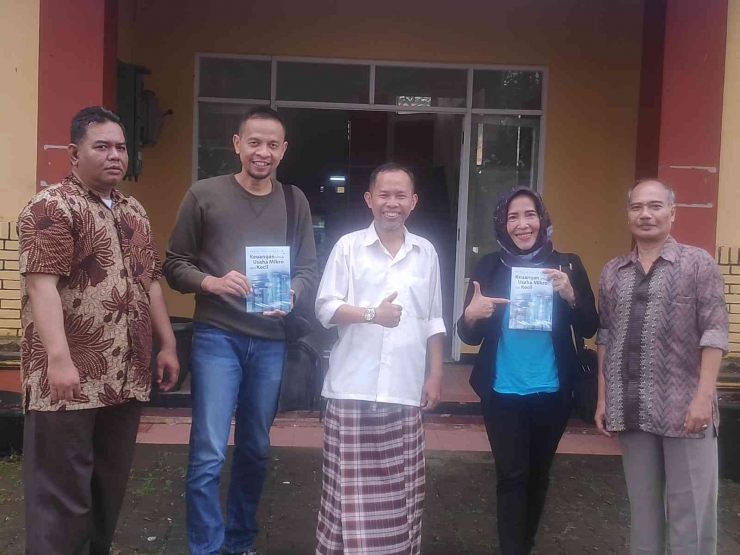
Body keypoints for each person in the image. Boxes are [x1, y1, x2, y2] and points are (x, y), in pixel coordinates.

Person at [18, 106, 179, 555]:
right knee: (60, 498)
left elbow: (150, 283)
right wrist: (60, 360)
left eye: (121, 147)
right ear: (74, 152)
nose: (115, 156)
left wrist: (167, 344)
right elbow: (41, 285)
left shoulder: (133, 211)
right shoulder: (51, 206)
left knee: (106, 490)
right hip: (66, 381)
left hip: (123, 378)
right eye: (102, 146)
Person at [164, 106, 318, 555]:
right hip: (217, 336)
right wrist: (210, 281)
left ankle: (240, 542)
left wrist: (292, 292)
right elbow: (174, 264)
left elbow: (308, 268)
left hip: (270, 342)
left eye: (272, 144)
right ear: (236, 144)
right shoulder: (203, 195)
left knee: (254, 449)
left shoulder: (295, 200)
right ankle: (206, 548)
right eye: (254, 142)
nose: (262, 152)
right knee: (209, 451)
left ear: (283, 150)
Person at [457, 186, 599, 555]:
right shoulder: (490, 265)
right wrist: (470, 317)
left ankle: (526, 543)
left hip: (552, 392)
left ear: (543, 219)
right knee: (511, 475)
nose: (523, 224)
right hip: (502, 391)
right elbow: (468, 332)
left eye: (530, 215)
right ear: (503, 225)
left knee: (538, 476)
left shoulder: (568, 264)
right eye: (513, 217)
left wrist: (571, 295)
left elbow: (589, 326)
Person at [314, 163, 446, 555]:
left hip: (404, 392)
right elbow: (325, 308)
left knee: (402, 495)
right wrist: (373, 314)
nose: (392, 203)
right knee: (347, 498)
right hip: (352, 389)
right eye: (384, 195)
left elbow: (433, 318)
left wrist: (435, 374)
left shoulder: (426, 253)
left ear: (414, 202)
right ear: (369, 200)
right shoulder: (347, 247)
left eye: (401, 195)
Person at [595, 179, 729, 555]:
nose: (646, 214)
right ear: (628, 215)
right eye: (637, 207)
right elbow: (605, 335)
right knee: (643, 514)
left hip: (687, 412)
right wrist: (603, 399)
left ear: (673, 212)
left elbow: (715, 333)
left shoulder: (697, 263)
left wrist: (703, 398)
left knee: (692, 519)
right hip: (632, 409)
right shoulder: (613, 272)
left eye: (655, 206)